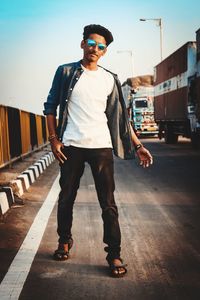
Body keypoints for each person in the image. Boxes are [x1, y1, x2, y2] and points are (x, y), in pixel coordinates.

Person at [43, 24, 153, 278]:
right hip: (71, 144)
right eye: (91, 43)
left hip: (101, 146)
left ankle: (113, 253)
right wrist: (53, 139)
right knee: (67, 196)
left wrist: (138, 145)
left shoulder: (109, 79)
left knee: (108, 203)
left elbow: (120, 120)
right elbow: (50, 107)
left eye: (101, 46)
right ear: (82, 44)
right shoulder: (66, 71)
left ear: (104, 52)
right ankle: (64, 241)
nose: (95, 49)